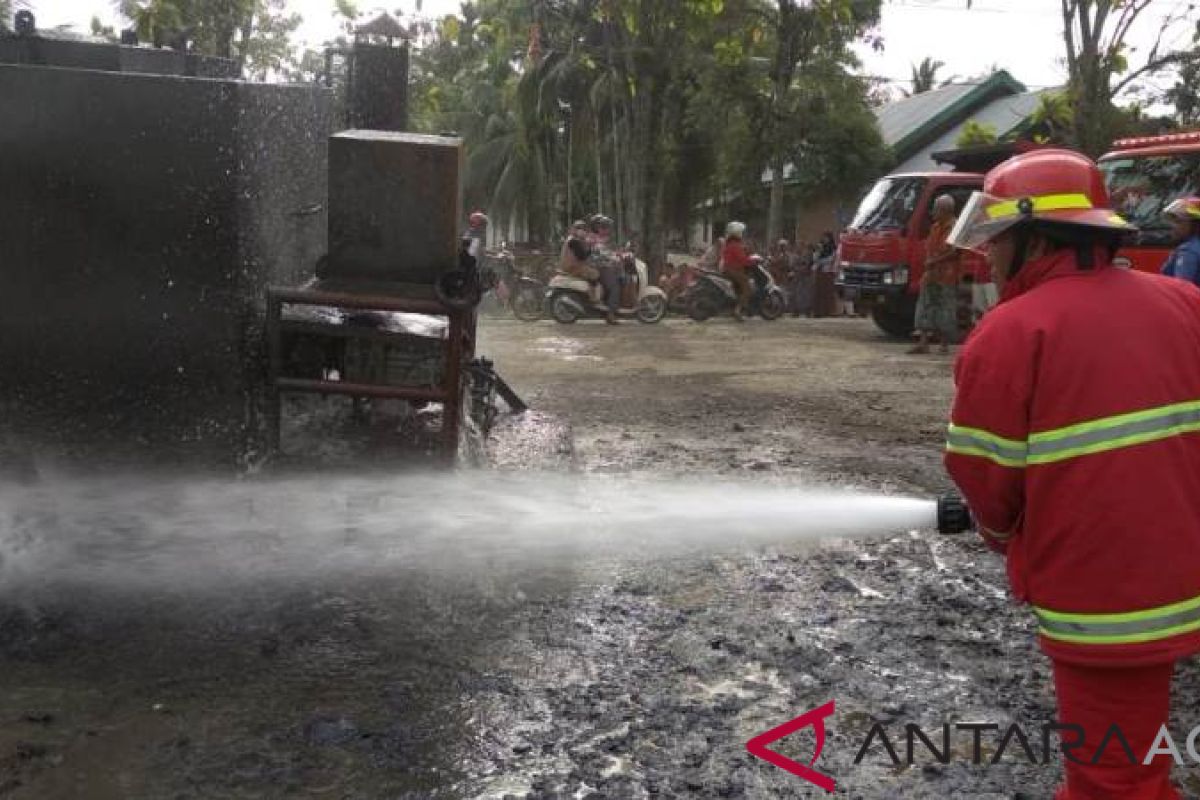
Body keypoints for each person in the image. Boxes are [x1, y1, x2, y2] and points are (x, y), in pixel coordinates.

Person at [943, 148, 1200, 800]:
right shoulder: (1185, 304)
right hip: (1180, 577)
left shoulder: (1011, 331)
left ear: (1034, 237)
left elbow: (985, 478)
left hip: (1105, 597)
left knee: (1114, 780)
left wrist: (1002, 534)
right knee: (1133, 755)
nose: (990, 257)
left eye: (998, 240)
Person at [909, 194, 960, 354]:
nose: (932, 213)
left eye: (935, 209)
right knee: (925, 305)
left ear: (944, 210)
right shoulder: (936, 227)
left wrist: (935, 261)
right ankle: (923, 342)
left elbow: (955, 252)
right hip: (931, 274)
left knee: (945, 307)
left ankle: (944, 344)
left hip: (947, 275)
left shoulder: (955, 227)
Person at [587, 214, 622, 325]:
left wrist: (618, 253)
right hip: (599, 267)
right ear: (597, 228)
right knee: (615, 287)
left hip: (603, 266)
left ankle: (607, 306)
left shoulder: (601, 239)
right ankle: (611, 314)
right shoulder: (593, 239)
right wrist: (614, 258)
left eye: (607, 227)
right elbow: (602, 253)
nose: (607, 230)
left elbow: (608, 252)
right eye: (604, 227)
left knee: (620, 278)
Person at [1160, 196, 1200, 287]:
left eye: (1178, 222)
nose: (1172, 227)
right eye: (1172, 221)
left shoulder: (1188, 250)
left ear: (1195, 225)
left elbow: (1181, 287)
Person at [720, 221, 753, 321]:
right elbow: (742, 260)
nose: (743, 235)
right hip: (733, 270)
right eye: (742, 232)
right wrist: (752, 261)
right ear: (738, 233)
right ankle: (737, 310)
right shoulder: (735, 245)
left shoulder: (728, 244)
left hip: (726, 269)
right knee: (747, 287)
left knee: (740, 286)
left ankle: (738, 306)